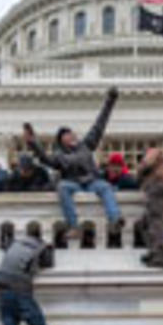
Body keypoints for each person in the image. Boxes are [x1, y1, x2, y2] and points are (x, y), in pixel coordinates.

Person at [25, 87, 123, 237]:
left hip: (91, 181)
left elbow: (100, 125)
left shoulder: (86, 145)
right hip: (73, 183)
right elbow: (45, 159)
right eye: (66, 135)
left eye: (71, 133)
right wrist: (33, 143)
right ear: (61, 141)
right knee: (63, 187)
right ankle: (73, 225)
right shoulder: (59, 156)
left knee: (105, 187)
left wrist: (110, 101)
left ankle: (115, 218)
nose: (71, 136)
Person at [137, 147, 163, 269]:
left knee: (156, 220)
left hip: (158, 185)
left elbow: (146, 164)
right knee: (145, 222)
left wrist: (139, 174)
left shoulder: (156, 151)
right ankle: (153, 251)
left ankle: (159, 256)